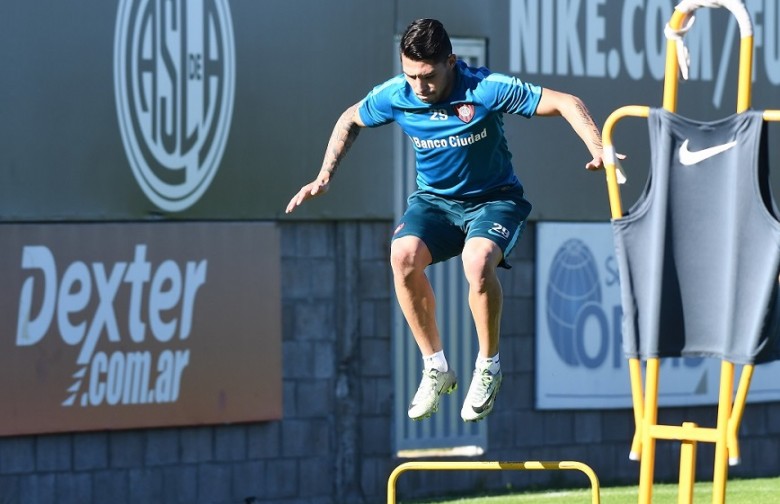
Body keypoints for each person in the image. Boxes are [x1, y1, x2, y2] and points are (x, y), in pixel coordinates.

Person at [286, 18, 608, 422]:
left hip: (494, 201)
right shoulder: (397, 94)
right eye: (410, 76)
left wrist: (599, 147)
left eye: (428, 76)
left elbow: (565, 101)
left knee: (476, 261)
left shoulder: (485, 88)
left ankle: (488, 367)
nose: (419, 87)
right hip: (435, 203)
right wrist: (325, 175)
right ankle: (435, 366)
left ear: (451, 62)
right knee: (402, 255)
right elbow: (350, 118)